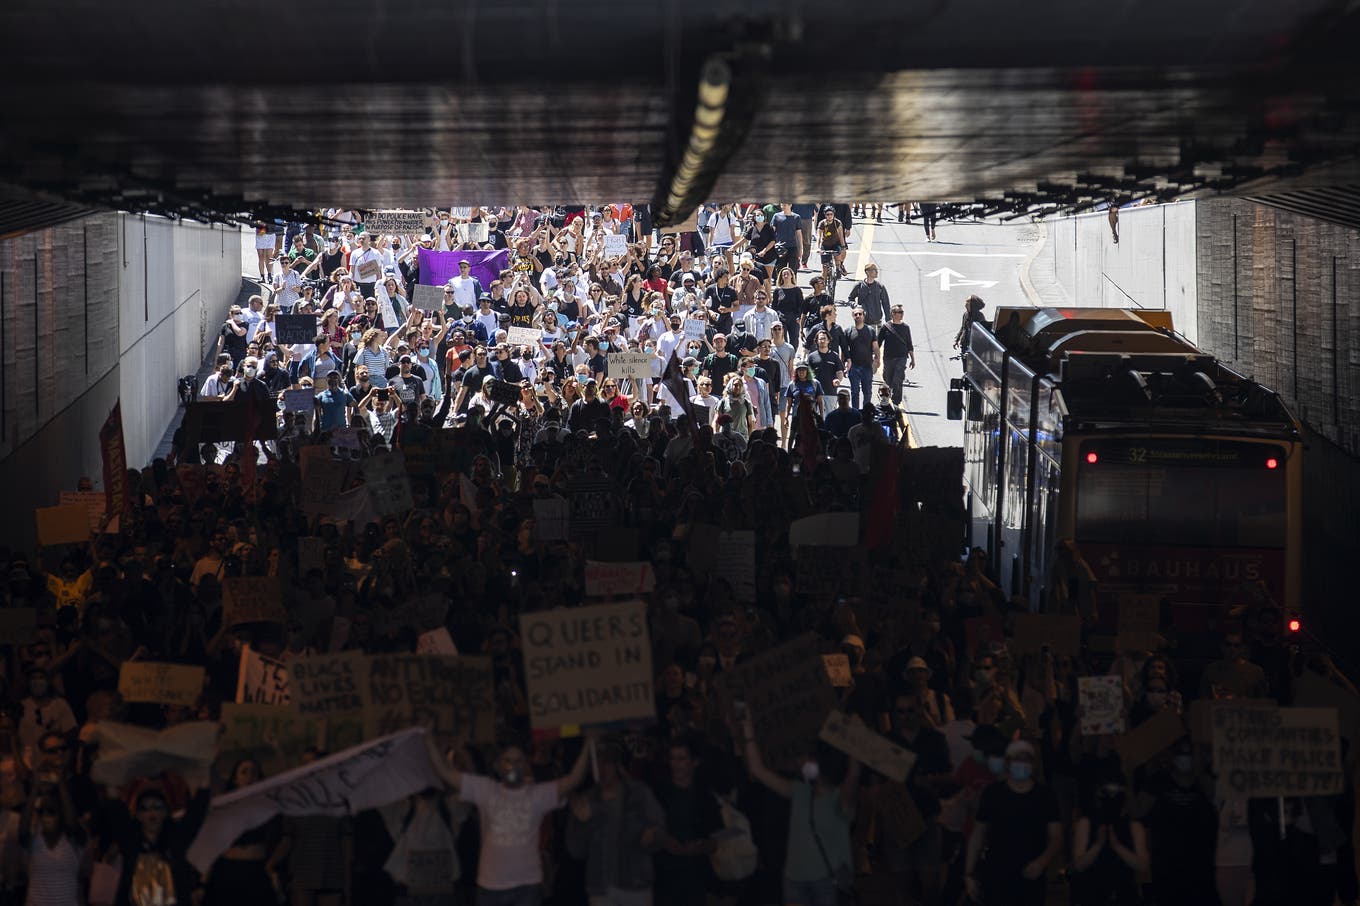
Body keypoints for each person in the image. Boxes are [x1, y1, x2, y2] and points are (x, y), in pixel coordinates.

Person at [432, 733, 593, 906]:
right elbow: (446, 772)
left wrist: (588, 744)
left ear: (526, 765)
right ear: (500, 765)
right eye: (508, 761)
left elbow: (574, 779)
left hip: (526, 887)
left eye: (518, 761)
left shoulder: (538, 795)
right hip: (490, 886)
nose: (512, 766)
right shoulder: (486, 789)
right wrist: (429, 741)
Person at [742, 712, 861, 906]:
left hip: (827, 882)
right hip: (795, 880)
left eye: (808, 758)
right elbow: (757, 770)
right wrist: (748, 731)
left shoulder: (841, 798)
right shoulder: (799, 792)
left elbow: (854, 772)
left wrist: (856, 733)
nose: (801, 761)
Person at [565, 739, 668, 906]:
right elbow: (575, 850)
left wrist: (652, 836)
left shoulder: (639, 793)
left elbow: (661, 830)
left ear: (617, 765)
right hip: (601, 890)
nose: (601, 769)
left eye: (606, 762)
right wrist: (583, 821)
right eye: (596, 763)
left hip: (636, 886)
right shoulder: (586, 799)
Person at [965, 740, 1063, 906]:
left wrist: (1042, 861)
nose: (1021, 764)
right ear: (1008, 763)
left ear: (1033, 764)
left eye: (1026, 760)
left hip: (1031, 874)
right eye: (1017, 759)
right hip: (996, 873)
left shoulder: (1045, 796)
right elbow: (978, 834)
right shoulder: (993, 793)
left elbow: (1056, 837)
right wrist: (969, 873)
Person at [840, 307, 879, 410]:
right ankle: (856, 412)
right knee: (854, 392)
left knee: (867, 391)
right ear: (853, 316)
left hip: (867, 366)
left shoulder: (870, 331)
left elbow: (875, 347)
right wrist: (842, 364)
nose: (858, 316)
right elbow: (844, 349)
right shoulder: (848, 331)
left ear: (863, 316)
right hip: (853, 367)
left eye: (860, 314)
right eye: (855, 314)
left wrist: (877, 359)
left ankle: (866, 412)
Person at [877, 304, 916, 406]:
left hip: (901, 357)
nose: (902, 314)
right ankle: (885, 398)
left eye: (902, 312)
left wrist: (912, 359)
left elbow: (909, 344)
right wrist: (875, 355)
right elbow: (878, 342)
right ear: (893, 314)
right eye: (899, 312)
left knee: (898, 378)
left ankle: (896, 402)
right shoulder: (886, 327)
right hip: (888, 357)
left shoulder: (905, 328)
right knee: (888, 379)